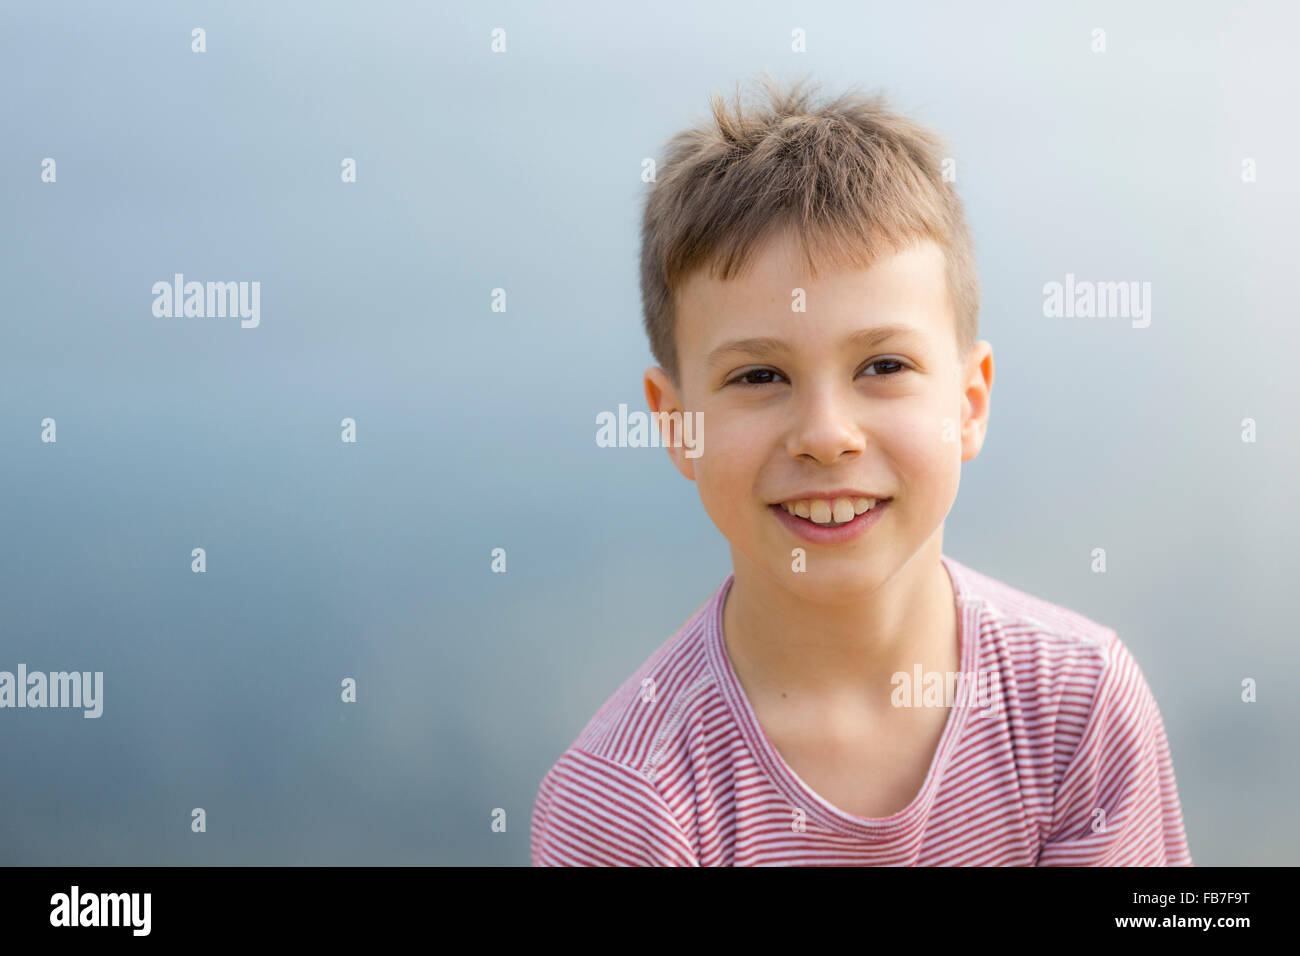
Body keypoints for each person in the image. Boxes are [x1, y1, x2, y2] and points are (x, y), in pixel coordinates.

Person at [530, 73, 1191, 866]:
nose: (826, 435)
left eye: (882, 364)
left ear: (970, 402)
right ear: (677, 424)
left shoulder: (1078, 707)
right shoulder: (627, 801)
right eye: (758, 376)